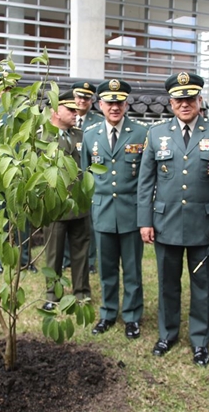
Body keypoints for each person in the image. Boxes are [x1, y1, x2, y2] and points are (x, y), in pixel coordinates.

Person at [137, 72, 209, 366]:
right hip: (165, 222)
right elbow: (146, 181)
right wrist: (145, 220)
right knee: (167, 283)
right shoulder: (156, 134)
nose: (185, 104)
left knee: (202, 285)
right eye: (179, 99)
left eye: (190, 98)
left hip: (204, 224)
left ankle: (200, 341)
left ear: (199, 100)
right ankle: (167, 334)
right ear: (170, 102)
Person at [81, 79, 148, 339]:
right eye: (109, 102)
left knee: (132, 269)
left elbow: (146, 178)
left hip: (131, 212)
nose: (115, 107)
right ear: (100, 105)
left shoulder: (142, 133)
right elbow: (86, 177)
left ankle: (132, 316)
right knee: (107, 269)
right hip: (103, 212)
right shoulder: (90, 134)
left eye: (119, 102)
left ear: (126, 103)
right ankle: (108, 312)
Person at [42, 91, 91, 310]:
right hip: (56, 205)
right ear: (55, 111)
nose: (76, 113)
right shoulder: (42, 137)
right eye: (70, 110)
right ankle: (52, 295)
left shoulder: (81, 136)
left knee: (81, 251)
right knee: (54, 253)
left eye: (76, 110)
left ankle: (81, 292)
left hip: (80, 204)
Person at [0, 107, 35, 275]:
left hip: (20, 176)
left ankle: (25, 260)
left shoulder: (24, 114)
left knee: (23, 220)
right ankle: (0, 261)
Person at [62, 82, 101, 274]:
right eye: (79, 97)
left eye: (86, 98)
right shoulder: (64, 120)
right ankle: (68, 259)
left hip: (88, 178)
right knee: (67, 219)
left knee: (89, 223)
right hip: (68, 182)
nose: (81, 101)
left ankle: (90, 260)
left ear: (92, 101)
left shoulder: (98, 121)